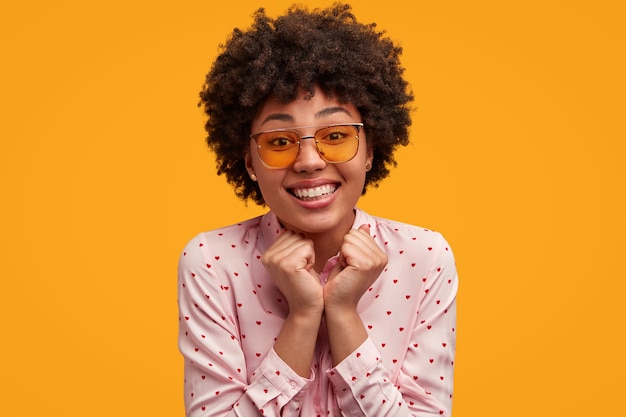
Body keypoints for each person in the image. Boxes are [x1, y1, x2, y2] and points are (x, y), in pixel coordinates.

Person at [177, 4, 458, 416]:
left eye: (337, 135)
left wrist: (343, 314)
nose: (308, 160)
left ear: (370, 149)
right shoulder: (212, 262)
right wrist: (304, 316)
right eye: (278, 141)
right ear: (250, 162)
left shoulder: (425, 257)